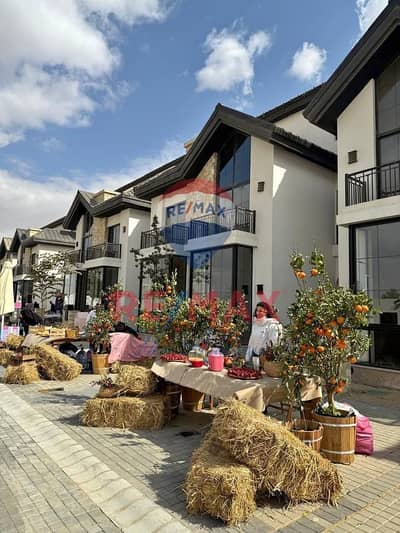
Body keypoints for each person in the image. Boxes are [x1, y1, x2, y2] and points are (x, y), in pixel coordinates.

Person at [245, 302, 282, 369]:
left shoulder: (273, 325)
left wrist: (266, 358)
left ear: (267, 312)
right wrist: (247, 358)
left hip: (266, 360)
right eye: (256, 310)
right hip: (254, 358)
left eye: (260, 311)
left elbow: (274, 344)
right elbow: (251, 341)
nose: (257, 313)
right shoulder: (255, 324)